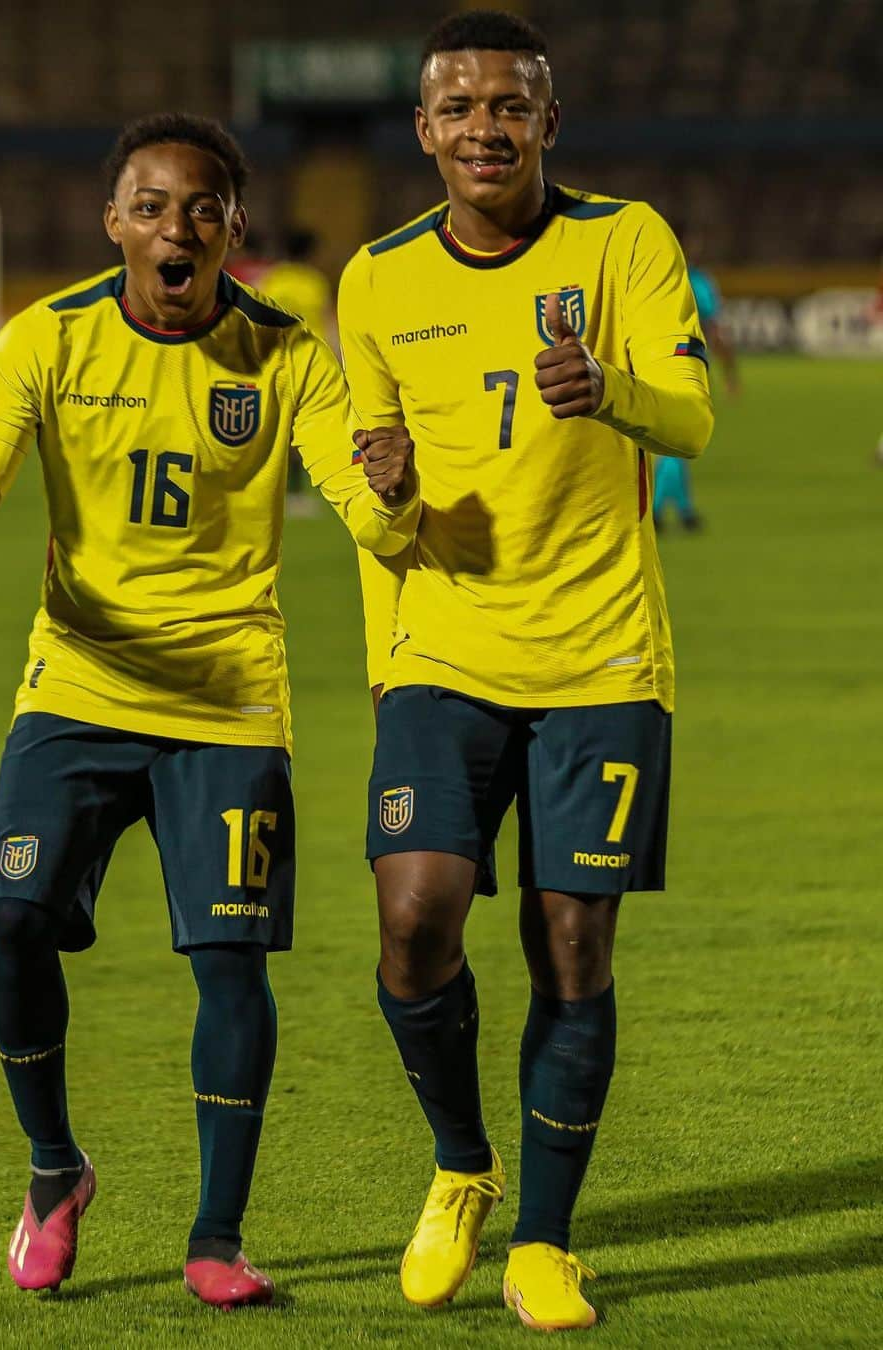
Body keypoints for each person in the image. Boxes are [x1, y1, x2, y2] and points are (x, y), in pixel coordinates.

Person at [0, 113, 417, 1309]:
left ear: (235, 227)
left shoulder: (287, 353)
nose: (175, 227)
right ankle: (53, 1171)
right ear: (114, 223)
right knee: (15, 929)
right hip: (78, 688)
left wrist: (392, 496)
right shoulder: (47, 336)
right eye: (150, 206)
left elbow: (360, 507)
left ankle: (215, 1236)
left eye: (201, 208)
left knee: (231, 966)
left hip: (229, 702)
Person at [337, 11, 712, 1332]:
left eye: (512, 106)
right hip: (441, 652)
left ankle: (544, 1240)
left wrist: (610, 387)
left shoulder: (625, 243)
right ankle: (460, 1162)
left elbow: (696, 416)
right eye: (460, 107)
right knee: (413, 915)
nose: (485, 127)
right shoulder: (377, 279)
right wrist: (382, 511)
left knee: (572, 938)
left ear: (549, 123)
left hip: (602, 652)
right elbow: (374, 507)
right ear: (427, 129)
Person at [654, 228, 739, 530]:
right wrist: (731, 374)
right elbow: (715, 330)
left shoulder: (650, 276)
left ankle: (685, 510)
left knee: (675, 442)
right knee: (677, 441)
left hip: (652, 365)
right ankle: (656, 509)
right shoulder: (699, 283)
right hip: (686, 369)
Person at [260, 230, 335, 518]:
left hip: (278, 361)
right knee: (308, 428)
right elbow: (327, 323)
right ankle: (297, 493)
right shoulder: (314, 282)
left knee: (279, 428)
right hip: (312, 364)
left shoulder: (273, 279)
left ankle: (279, 491)